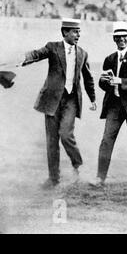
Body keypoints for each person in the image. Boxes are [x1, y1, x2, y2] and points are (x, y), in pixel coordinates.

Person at [21, 18, 97, 189]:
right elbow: (36, 54)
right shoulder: (53, 47)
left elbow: (88, 78)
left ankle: (79, 168)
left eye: (79, 31)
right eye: (75, 31)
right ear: (65, 33)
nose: (78, 35)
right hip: (51, 100)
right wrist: (23, 58)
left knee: (66, 134)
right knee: (51, 140)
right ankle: (53, 178)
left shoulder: (82, 53)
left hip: (71, 100)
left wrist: (92, 98)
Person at [90, 22, 127, 187]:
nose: (122, 39)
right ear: (114, 39)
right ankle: (100, 177)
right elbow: (103, 85)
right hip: (114, 106)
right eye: (118, 37)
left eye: (124, 37)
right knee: (106, 140)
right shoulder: (109, 59)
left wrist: (120, 81)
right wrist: (104, 81)